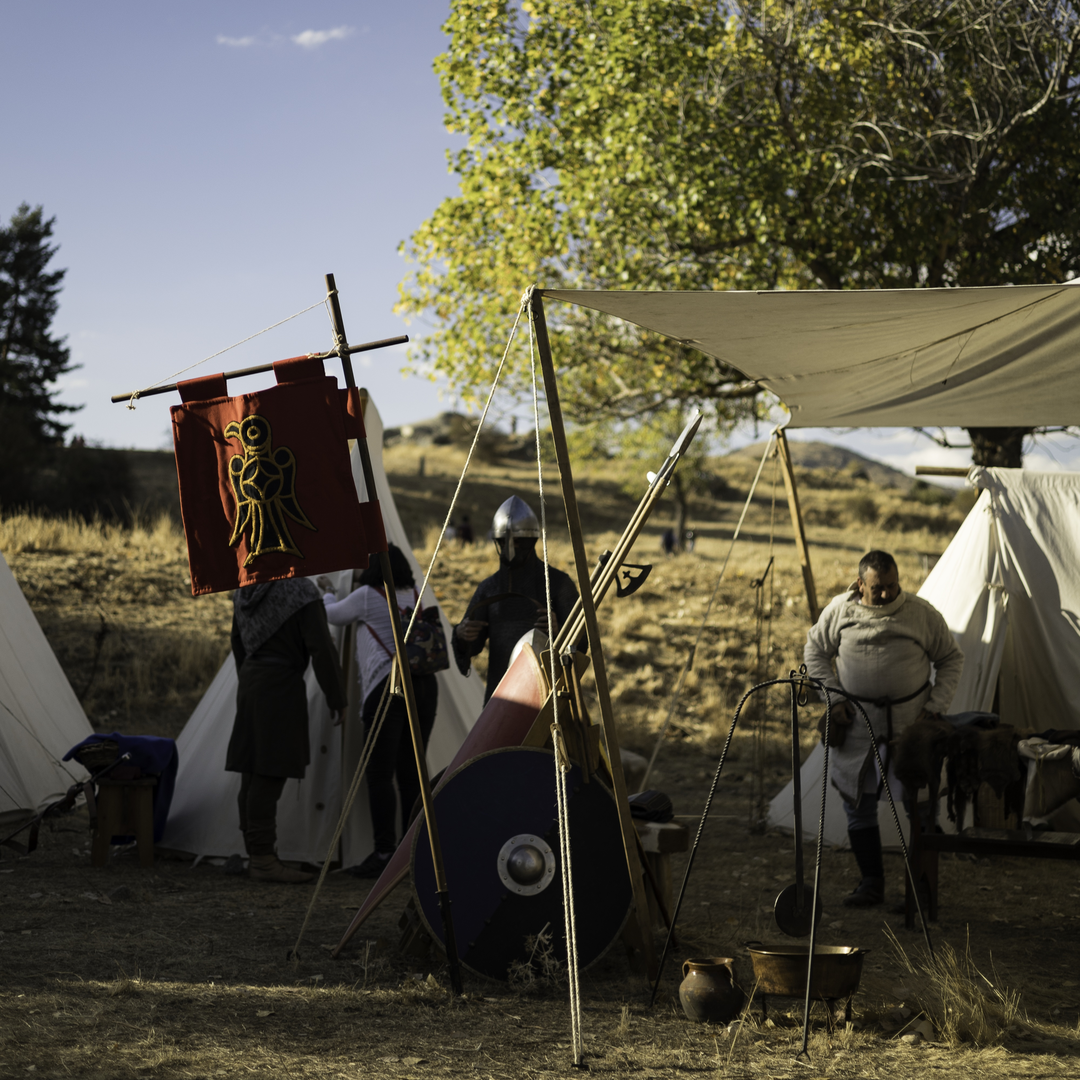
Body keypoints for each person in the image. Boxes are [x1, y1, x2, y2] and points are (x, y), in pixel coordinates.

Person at [803, 550, 963, 907]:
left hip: (910, 726)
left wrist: (936, 708)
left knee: (920, 806)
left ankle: (921, 888)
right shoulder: (840, 611)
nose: (888, 594)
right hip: (857, 725)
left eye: (893, 585)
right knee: (858, 805)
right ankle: (871, 883)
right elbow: (814, 651)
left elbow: (951, 658)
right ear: (860, 584)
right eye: (879, 588)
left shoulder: (921, 613)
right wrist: (834, 699)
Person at [321, 544, 438, 878]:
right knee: (411, 771)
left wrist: (328, 592)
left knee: (379, 774)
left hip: (389, 689)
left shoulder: (369, 596)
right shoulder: (414, 593)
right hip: (426, 687)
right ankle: (413, 852)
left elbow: (333, 616)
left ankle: (384, 853)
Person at [227, 577, 346, 884]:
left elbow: (237, 641)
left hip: (252, 680)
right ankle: (263, 860)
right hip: (279, 684)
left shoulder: (246, 589)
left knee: (252, 771)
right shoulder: (300, 590)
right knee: (269, 770)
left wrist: (250, 680)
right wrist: (337, 697)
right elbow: (321, 646)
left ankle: (257, 853)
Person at [453, 495, 579, 702]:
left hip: (548, 694)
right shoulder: (489, 588)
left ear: (531, 540)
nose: (510, 548)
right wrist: (461, 634)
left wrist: (560, 631)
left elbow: (580, 645)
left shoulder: (557, 583)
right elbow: (472, 646)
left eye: (518, 541)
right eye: (503, 541)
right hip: (501, 692)